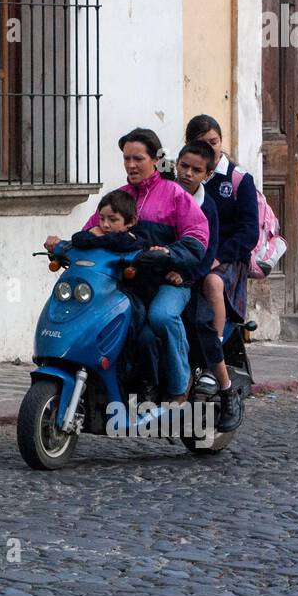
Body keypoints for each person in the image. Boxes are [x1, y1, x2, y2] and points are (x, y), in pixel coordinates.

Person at [45, 128, 208, 401]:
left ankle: (179, 384)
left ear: (155, 159)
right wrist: (65, 246)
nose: (131, 165)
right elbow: (90, 232)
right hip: (125, 282)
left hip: (169, 280)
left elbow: (198, 238)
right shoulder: (117, 198)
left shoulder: (175, 194)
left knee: (161, 316)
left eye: (138, 159)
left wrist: (168, 254)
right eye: (126, 159)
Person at [172, 139, 242, 432]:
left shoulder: (208, 207)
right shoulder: (165, 193)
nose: (188, 173)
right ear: (175, 164)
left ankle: (226, 391)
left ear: (206, 175)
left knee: (202, 327)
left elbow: (208, 249)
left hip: (194, 278)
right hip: (161, 275)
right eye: (184, 166)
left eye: (196, 170)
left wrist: (188, 276)